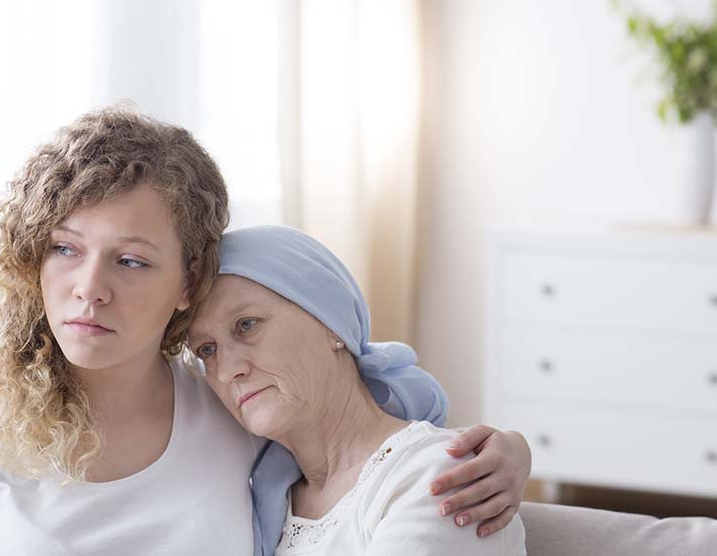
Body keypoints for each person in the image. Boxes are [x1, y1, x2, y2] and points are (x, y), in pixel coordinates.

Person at [0, 105, 531, 555]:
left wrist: (505, 453)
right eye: (64, 249)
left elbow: (365, 438)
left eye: (130, 260)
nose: (89, 288)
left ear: (187, 282)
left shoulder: (234, 412)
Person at [189, 225, 527, 555]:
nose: (230, 369)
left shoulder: (442, 478)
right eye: (207, 349)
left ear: (331, 323)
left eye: (246, 325)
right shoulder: (262, 508)